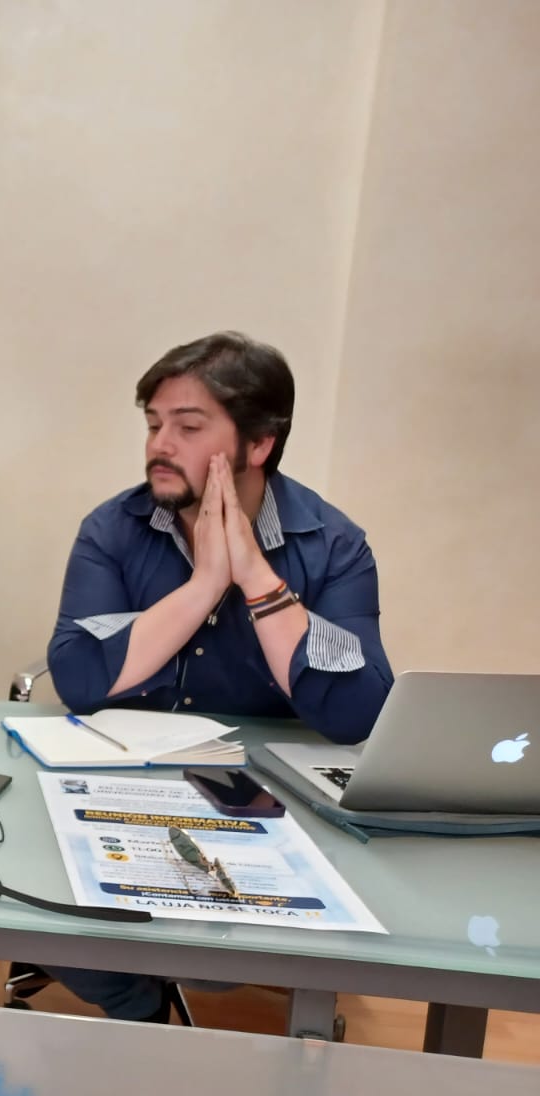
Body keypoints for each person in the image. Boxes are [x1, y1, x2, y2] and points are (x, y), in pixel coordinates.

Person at [42, 330, 393, 1021]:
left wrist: (256, 579)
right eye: (153, 424)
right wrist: (203, 585)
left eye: (188, 425)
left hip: (263, 795)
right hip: (123, 780)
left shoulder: (334, 546)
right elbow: (79, 679)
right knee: (38, 908)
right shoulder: (112, 529)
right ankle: (138, 1005)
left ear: (257, 445)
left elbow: (359, 714)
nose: (158, 444)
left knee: (247, 956)